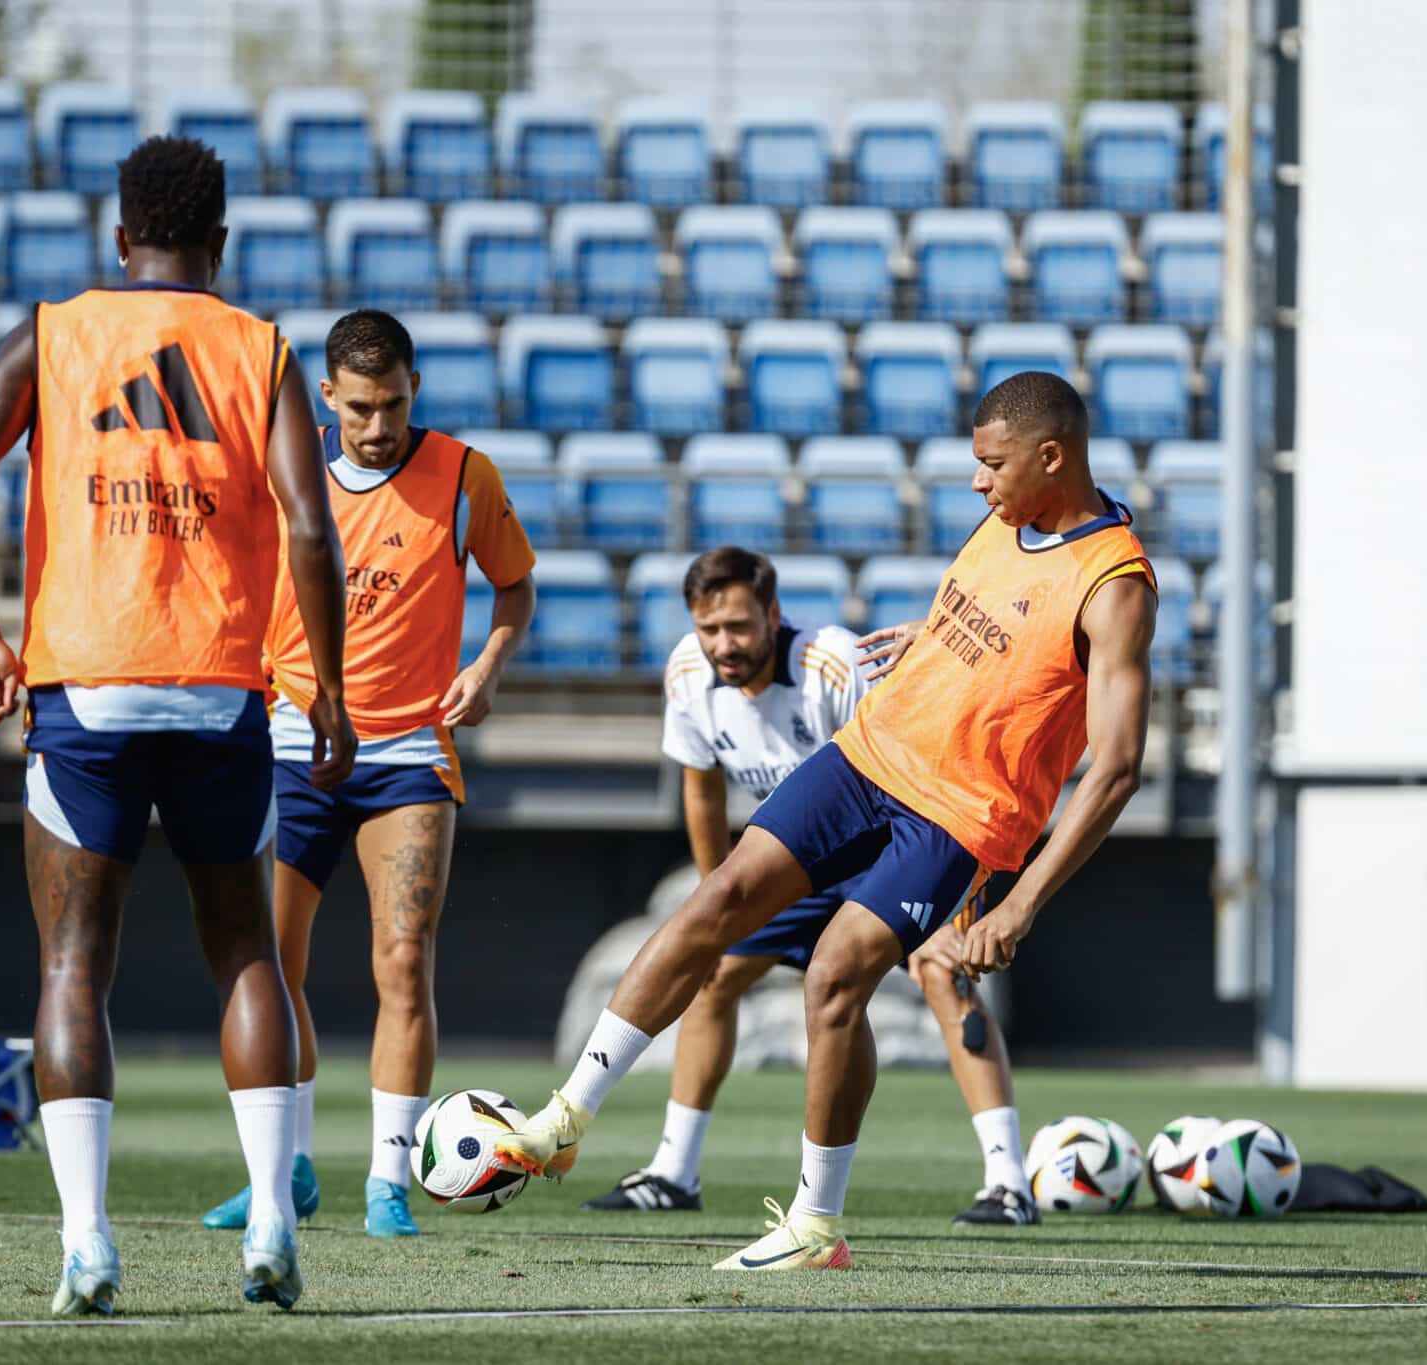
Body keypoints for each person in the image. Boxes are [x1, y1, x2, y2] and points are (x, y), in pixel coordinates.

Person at [493, 371, 1156, 1269]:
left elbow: (1115, 768)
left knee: (834, 976)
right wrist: (932, 635)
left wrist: (1020, 903)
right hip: (867, 754)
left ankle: (816, 1224)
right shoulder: (1010, 516)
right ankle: (564, 1118)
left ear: (1052, 456)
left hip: (959, 817)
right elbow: (1000, 616)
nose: (976, 481)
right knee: (715, 896)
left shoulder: (1115, 584)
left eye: (990, 464)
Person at [0, 136, 355, 1314]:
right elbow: (311, 529)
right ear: (217, 246)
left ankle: (88, 1245)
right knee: (246, 953)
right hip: (222, 687)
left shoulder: (56, 332)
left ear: (120, 238)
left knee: (76, 963)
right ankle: (272, 1217)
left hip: (86, 687)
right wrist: (323, 685)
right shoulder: (259, 347)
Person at [576, 547, 1040, 1226]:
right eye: (709, 629)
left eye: (738, 627)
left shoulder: (836, 664)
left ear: (773, 615)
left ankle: (1008, 1180)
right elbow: (701, 792)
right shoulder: (686, 673)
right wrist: (716, 905)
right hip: (790, 865)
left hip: (885, 851)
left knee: (947, 970)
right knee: (709, 974)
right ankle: (675, 1169)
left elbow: (913, 769)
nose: (723, 645)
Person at [201, 309, 538, 1238]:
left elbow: (515, 584)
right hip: (290, 744)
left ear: (415, 390)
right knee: (269, 966)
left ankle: (388, 1180)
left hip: (407, 755)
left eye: (392, 404)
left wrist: (489, 663)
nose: (378, 425)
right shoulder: (285, 469)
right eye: (359, 407)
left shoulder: (465, 475)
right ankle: (287, 1170)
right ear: (327, 398)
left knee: (403, 959)